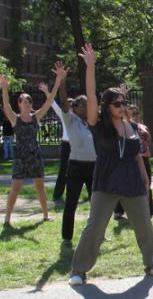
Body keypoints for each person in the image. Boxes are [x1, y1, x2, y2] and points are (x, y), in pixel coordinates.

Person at [69, 44, 153, 285]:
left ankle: (152, 265)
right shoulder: (99, 126)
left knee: (144, 226)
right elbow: (91, 98)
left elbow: (136, 156)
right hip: (106, 181)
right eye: (117, 104)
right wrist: (90, 67)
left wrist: (145, 180)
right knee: (95, 228)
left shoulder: (131, 127)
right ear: (107, 106)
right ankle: (78, 271)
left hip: (133, 182)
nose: (122, 107)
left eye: (124, 103)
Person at [0, 62, 66, 225]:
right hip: (21, 158)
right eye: (23, 102)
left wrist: (58, 81)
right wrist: (4, 88)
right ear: (19, 104)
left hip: (35, 156)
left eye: (29, 102)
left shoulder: (36, 116)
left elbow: (49, 101)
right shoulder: (15, 119)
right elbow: (6, 106)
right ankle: (7, 219)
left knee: (40, 187)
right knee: (15, 189)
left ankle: (45, 215)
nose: (27, 104)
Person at [50, 78, 95, 245]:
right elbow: (63, 102)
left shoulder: (93, 122)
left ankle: (96, 233)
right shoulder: (70, 120)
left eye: (87, 104)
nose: (86, 107)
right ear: (75, 108)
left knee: (96, 204)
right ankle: (67, 237)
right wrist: (62, 82)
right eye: (82, 104)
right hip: (76, 166)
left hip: (93, 167)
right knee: (71, 203)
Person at [114, 102, 153, 218]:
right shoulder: (124, 125)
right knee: (124, 184)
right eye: (133, 113)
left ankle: (150, 209)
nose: (136, 115)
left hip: (144, 157)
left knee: (147, 182)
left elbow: (148, 140)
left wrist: (147, 138)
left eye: (137, 113)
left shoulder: (143, 126)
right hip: (130, 159)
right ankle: (119, 211)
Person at [51, 95, 72, 203]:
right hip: (66, 145)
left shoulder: (80, 117)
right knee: (63, 170)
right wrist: (46, 92)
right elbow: (53, 104)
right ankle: (57, 195)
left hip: (77, 145)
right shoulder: (63, 115)